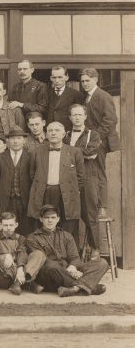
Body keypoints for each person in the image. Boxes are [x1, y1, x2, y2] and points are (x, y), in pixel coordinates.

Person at [26, 205, 108, 297]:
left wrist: (73, 266)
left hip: (69, 269)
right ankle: (90, 286)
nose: (50, 220)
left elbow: (75, 257)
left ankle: (74, 289)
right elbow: (43, 261)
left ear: (58, 219)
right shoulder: (32, 238)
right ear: (41, 219)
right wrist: (70, 272)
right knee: (51, 267)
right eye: (47, 218)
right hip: (49, 273)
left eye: (53, 217)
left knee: (102, 263)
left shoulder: (66, 236)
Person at [28, 121, 84, 244]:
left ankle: (69, 257)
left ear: (64, 134)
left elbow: (80, 177)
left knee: (67, 223)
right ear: (46, 134)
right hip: (44, 192)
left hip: (66, 193)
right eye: (50, 131)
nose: (53, 133)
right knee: (44, 222)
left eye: (57, 130)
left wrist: (71, 190)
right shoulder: (36, 152)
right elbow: (33, 175)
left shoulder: (75, 152)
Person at [66, 103, 102, 251]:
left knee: (90, 215)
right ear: (70, 117)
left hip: (87, 179)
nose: (77, 118)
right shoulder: (66, 134)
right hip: (69, 180)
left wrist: (70, 152)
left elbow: (92, 153)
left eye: (80, 114)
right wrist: (82, 152)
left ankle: (95, 249)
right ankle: (72, 251)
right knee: (70, 216)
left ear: (85, 116)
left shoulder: (93, 134)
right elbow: (83, 153)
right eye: (74, 115)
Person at [0, 126, 35, 236]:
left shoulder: (31, 157)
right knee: (7, 230)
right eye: (12, 138)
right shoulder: (0, 158)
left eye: (19, 138)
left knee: (26, 230)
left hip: (25, 202)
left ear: (24, 140)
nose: (15, 141)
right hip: (6, 202)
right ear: (8, 141)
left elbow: (35, 181)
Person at [0, 211, 43, 295]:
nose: (8, 228)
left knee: (38, 254)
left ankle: (17, 284)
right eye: (5, 225)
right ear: (1, 225)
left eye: (11, 225)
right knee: (2, 258)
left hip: (20, 271)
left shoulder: (21, 238)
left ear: (16, 225)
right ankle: (28, 284)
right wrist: (5, 255)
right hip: (3, 277)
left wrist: (20, 270)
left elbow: (22, 253)